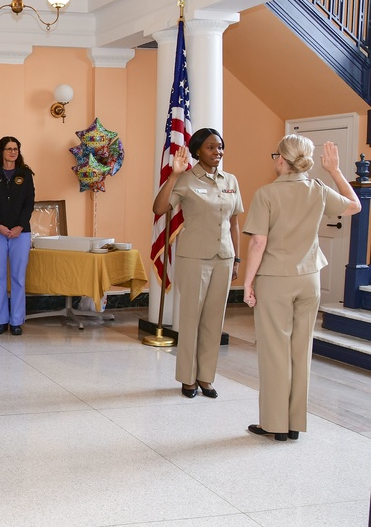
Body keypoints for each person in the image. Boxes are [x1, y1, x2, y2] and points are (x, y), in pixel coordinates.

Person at [242, 136, 361, 441]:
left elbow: (258, 242)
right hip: (310, 279)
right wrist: (334, 171)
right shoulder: (319, 189)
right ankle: (294, 423)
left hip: (275, 279)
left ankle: (274, 424)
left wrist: (247, 282)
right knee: (300, 351)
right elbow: (355, 206)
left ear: (281, 159)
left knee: (274, 352)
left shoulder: (266, 194)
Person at [152, 128, 243, 399]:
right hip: (194, 258)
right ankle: (187, 378)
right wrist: (175, 175)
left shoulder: (231, 180)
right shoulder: (186, 180)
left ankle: (206, 377)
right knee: (191, 319)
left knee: (214, 321)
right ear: (198, 151)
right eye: (211, 148)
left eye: (220, 147)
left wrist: (236, 258)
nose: (218, 152)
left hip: (224, 258)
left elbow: (234, 222)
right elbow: (159, 209)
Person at [0, 136, 35, 336]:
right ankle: (1, 320)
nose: (13, 152)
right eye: (9, 148)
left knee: (18, 278)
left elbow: (29, 203)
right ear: (1, 151)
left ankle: (16, 321)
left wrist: (20, 226)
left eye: (16, 149)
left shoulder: (25, 174)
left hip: (21, 233)